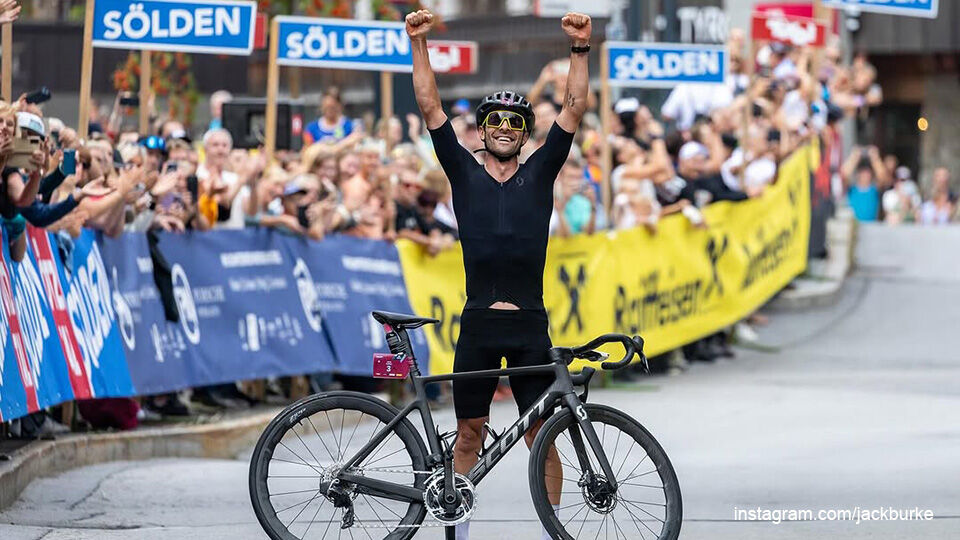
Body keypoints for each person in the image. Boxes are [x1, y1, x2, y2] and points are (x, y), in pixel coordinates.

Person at [407, 9, 590, 540]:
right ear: (483, 132)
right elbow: (429, 105)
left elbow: (575, 106)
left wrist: (581, 49)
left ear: (525, 133)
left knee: (541, 436)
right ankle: (457, 533)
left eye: (515, 123)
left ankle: (555, 532)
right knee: (469, 434)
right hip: (479, 326)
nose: (505, 129)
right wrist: (420, 44)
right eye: (495, 122)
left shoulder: (541, 171)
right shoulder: (462, 170)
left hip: (531, 325)